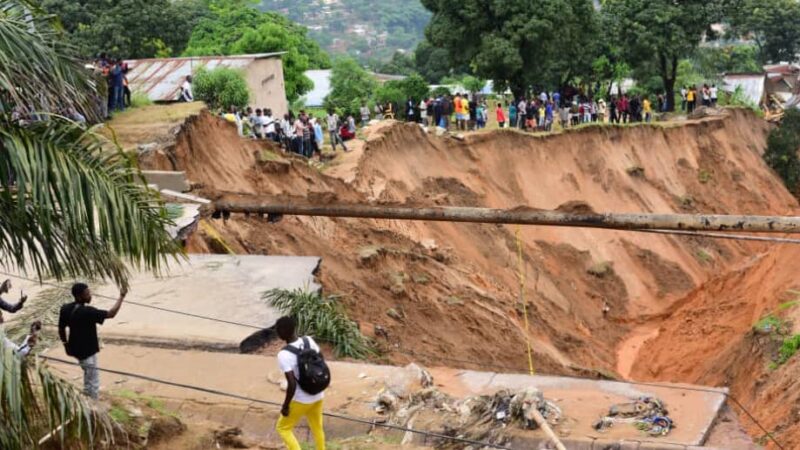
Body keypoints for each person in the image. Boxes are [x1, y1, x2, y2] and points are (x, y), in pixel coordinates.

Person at [58, 283, 127, 400]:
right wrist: (121, 297)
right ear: (79, 297)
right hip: (87, 352)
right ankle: (92, 406)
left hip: (75, 349)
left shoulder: (65, 308)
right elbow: (111, 314)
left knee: (88, 376)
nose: (90, 296)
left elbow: (61, 328)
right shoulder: (88, 312)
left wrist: (65, 345)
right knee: (93, 382)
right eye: (87, 294)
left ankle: (88, 399)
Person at [275, 316, 327, 450]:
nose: (277, 333)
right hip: (318, 395)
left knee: (282, 428)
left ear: (283, 332)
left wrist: (285, 406)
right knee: (317, 428)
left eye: (278, 330)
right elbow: (321, 360)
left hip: (301, 400)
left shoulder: (283, 354)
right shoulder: (309, 340)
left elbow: (291, 384)